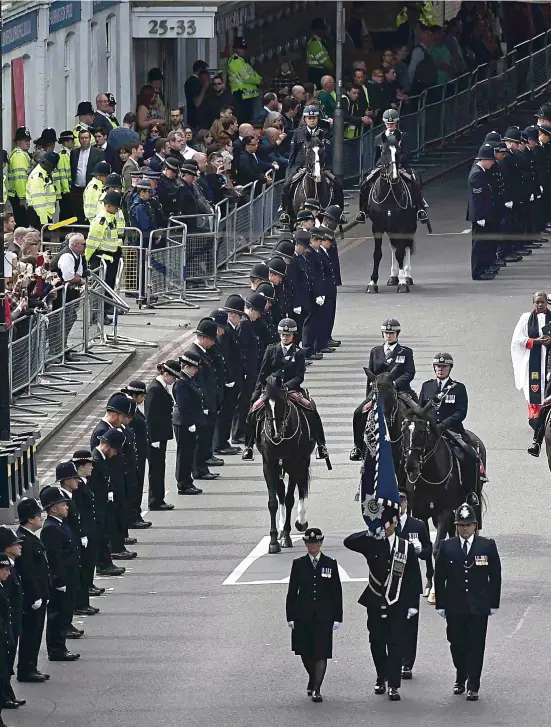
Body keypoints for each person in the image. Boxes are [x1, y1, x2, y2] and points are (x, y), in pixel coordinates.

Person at [344, 509, 421, 702]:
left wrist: (412, 604)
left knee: (395, 643)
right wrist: (369, 531)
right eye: (382, 524)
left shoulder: (405, 547)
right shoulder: (372, 543)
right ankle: (381, 676)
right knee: (377, 642)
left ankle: (394, 685)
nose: (385, 528)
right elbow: (349, 542)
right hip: (376, 600)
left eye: (388, 524)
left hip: (397, 602)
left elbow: (413, 577)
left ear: (395, 523)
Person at [434, 502, 501, 702]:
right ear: (456, 526)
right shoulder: (447, 546)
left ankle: (473, 684)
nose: (465, 528)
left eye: (468, 524)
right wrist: (441, 604)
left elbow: (495, 576)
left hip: (478, 606)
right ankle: (460, 674)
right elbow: (439, 577)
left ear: (475, 526)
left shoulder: (487, 545)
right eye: (461, 524)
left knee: (476, 645)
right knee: (456, 643)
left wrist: (493, 602)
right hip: (455, 606)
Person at [286, 528, 343, 703]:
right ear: (306, 545)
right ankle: (313, 678)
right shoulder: (298, 564)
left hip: (324, 616)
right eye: (310, 544)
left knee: (321, 653)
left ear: (320, 544)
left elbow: (336, 592)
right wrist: (290, 616)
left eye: (316, 543)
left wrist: (338, 617)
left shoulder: (330, 563)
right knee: (305, 652)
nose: (313, 546)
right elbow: (292, 592)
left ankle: (317, 688)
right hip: (303, 615)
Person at [419, 352, 486, 494]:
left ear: (450, 368)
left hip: (451, 431)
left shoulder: (458, 388)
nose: (440, 369)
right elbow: (420, 410)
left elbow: (461, 412)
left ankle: (470, 492)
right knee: (410, 453)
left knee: (470, 456)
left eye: (444, 366)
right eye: (437, 366)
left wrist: (444, 424)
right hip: (430, 431)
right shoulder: (427, 386)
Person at [351, 318, 416, 460]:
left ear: (397, 334)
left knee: (418, 412)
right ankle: (358, 447)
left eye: (392, 333)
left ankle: (417, 446)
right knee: (357, 413)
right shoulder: (375, 351)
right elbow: (371, 376)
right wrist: (369, 396)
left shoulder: (405, 352)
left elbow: (409, 372)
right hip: (378, 391)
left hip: (399, 390)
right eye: (386, 333)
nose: (389, 335)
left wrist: (394, 384)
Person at [39, 486, 80, 662]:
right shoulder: (50, 528)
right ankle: (56, 649)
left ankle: (60, 646)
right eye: (63, 504)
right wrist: (60, 580)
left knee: (64, 613)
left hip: (69, 576)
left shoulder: (60, 525)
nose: (67, 507)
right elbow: (55, 558)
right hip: (60, 579)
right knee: (57, 614)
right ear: (53, 508)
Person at [396, 489, 432, 679]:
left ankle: (407, 663)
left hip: (410, 582)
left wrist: (420, 550)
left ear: (406, 503)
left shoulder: (417, 525)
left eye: (401, 501)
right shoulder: (386, 526)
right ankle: (392, 660)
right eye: (396, 501)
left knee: (410, 626)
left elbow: (428, 550)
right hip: (390, 582)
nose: (399, 505)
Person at [14, 498, 50, 683]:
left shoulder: (30, 538)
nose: (41, 517)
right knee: (31, 633)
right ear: (29, 519)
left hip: (40, 594)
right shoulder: (24, 541)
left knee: (36, 633)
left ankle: (31, 667)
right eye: (37, 515)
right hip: (31, 597)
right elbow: (28, 572)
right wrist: (35, 595)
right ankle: (26, 669)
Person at [511, 292, 551, 445]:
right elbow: (517, 341)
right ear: (533, 303)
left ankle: (547, 414)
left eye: (542, 302)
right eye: (537, 302)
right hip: (533, 360)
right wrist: (535, 341)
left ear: (546, 302)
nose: (539, 305)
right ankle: (535, 417)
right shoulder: (526, 318)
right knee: (533, 386)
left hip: (549, 359)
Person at [88, 428, 126, 578]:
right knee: (101, 536)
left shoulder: (101, 459)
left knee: (104, 535)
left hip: (103, 506)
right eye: (115, 449)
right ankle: (103, 565)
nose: (116, 453)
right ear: (109, 446)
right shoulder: (96, 460)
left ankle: (106, 563)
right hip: (97, 507)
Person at [189, 319, 223, 482]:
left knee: (205, 437)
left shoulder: (204, 352)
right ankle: (199, 469)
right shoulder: (195, 355)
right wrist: (203, 405)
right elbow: (197, 382)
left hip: (210, 402)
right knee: (200, 439)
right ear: (203, 337)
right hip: (203, 405)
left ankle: (202, 467)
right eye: (211, 338)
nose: (214, 342)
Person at [145, 360, 182, 506]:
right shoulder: (155, 389)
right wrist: (153, 438)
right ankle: (155, 500)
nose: (174, 381)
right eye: (173, 377)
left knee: (160, 467)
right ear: (165, 374)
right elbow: (150, 415)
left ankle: (159, 499)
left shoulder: (161, 387)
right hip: (156, 437)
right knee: (156, 468)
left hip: (160, 435)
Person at [71, 450, 103, 611]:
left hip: (91, 528)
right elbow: (78, 512)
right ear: (81, 466)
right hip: (85, 530)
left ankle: (86, 594)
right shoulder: (77, 487)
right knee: (83, 566)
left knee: (89, 563)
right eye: (90, 465)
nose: (92, 468)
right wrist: (83, 533)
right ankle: (81, 603)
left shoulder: (83, 482)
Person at [0, 527, 24, 708]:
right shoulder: (4, 568)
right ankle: (4, 696)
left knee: (8, 658)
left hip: (13, 618)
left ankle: (8, 693)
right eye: (16, 543)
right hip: (8, 620)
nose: (19, 546)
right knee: (5, 661)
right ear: (7, 548)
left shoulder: (11, 565)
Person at [467, 143, 497, 280]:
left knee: (484, 243)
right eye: (491, 160)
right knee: (479, 245)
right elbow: (476, 198)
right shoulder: (477, 175)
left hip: (484, 214)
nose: (492, 163)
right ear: (483, 160)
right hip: (480, 216)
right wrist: (480, 216)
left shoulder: (481, 172)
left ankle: (483, 268)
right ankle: (477, 272)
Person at [70, 129, 105, 223]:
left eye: (86, 138)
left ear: (90, 139)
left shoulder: (98, 153)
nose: (84, 140)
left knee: (90, 213)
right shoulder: (74, 153)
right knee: (78, 215)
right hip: (77, 189)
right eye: (82, 138)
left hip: (91, 189)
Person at [228, 37, 262, 124]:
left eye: (244, 48)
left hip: (247, 95)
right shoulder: (236, 61)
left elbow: (253, 73)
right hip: (241, 95)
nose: (243, 51)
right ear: (235, 49)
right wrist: (259, 81)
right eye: (241, 48)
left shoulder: (242, 61)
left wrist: (259, 79)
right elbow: (246, 77)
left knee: (248, 118)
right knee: (244, 119)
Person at [26, 151, 59, 229]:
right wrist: (44, 221)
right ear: (46, 164)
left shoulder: (44, 173)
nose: (53, 169)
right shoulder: (38, 176)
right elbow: (38, 201)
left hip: (44, 214)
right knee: (41, 240)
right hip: (39, 216)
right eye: (52, 167)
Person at [7, 127, 32, 227]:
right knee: (22, 225)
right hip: (19, 196)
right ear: (18, 142)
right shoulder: (19, 156)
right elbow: (20, 178)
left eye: (28, 140)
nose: (28, 142)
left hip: (18, 195)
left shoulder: (22, 154)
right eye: (25, 140)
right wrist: (22, 197)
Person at [306, 18, 334, 88]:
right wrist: (333, 69)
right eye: (324, 29)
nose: (325, 31)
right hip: (317, 72)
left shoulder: (319, 42)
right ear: (319, 30)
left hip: (317, 71)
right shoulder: (315, 43)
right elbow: (323, 60)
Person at [185, 60, 210, 130]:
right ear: (200, 71)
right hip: (196, 122)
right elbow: (197, 103)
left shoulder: (195, 82)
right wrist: (205, 87)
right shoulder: (193, 82)